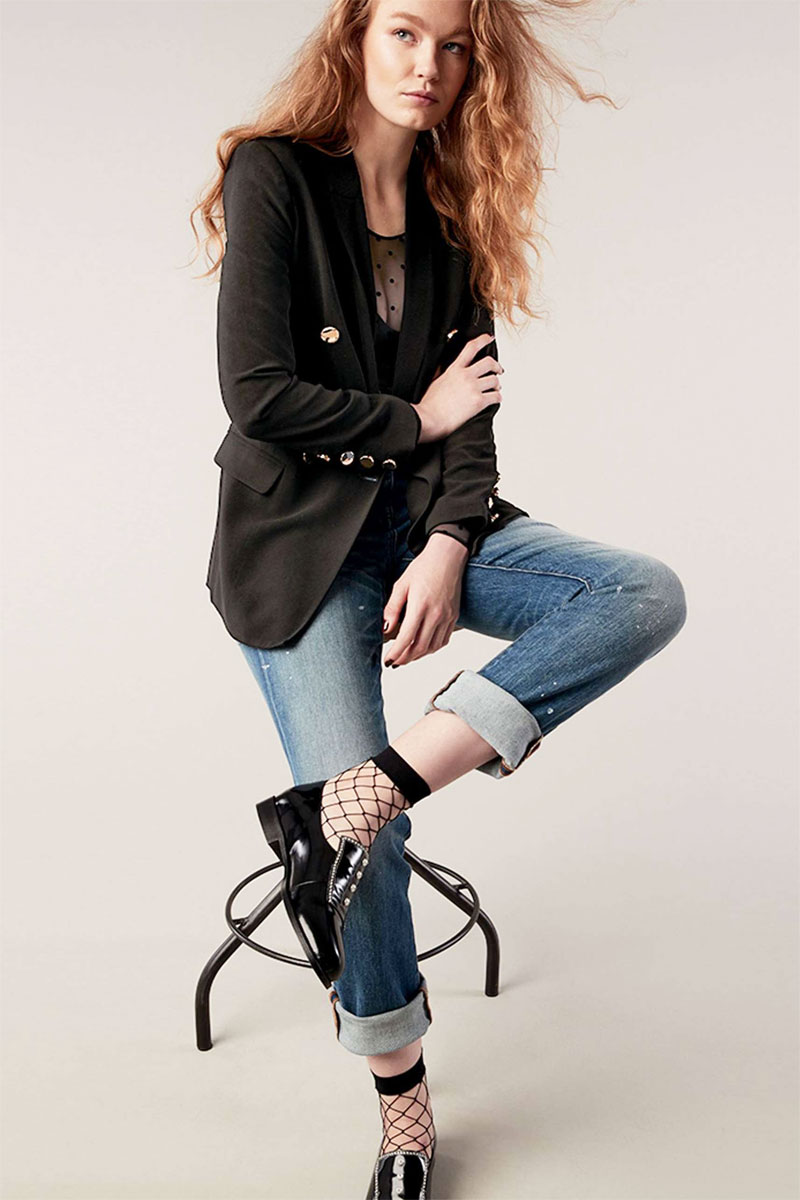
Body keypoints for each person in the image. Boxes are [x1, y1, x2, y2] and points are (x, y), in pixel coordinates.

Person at [191, 0, 687, 1194]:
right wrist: (412, 420)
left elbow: (477, 414)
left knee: (637, 595)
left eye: (453, 45)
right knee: (374, 853)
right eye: (405, 34)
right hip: (301, 545)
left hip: (422, 526)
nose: (429, 65)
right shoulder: (274, 176)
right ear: (354, 38)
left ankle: (349, 802)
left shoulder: (453, 204)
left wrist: (452, 541)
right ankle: (402, 1106)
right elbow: (258, 393)